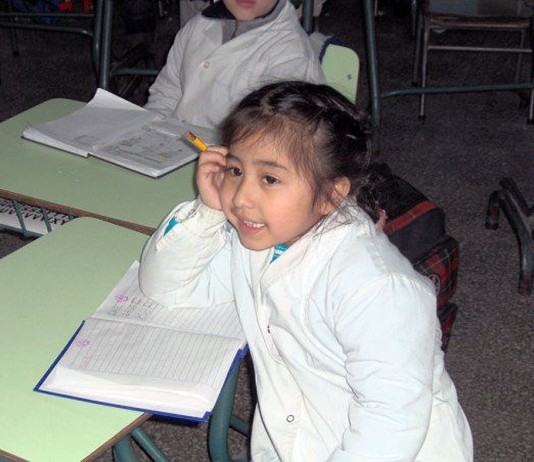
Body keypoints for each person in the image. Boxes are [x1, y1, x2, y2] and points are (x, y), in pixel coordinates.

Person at [139, 81, 473, 461]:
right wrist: (208, 210)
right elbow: (164, 286)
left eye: (269, 179)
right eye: (235, 170)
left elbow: (391, 422)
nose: (242, 197)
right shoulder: (259, 241)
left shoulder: (377, 288)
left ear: (332, 194)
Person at [144, 0, 324, 129]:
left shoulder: (291, 59)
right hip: (175, 149)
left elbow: (273, 146)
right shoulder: (198, 26)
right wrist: (149, 132)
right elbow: (166, 93)